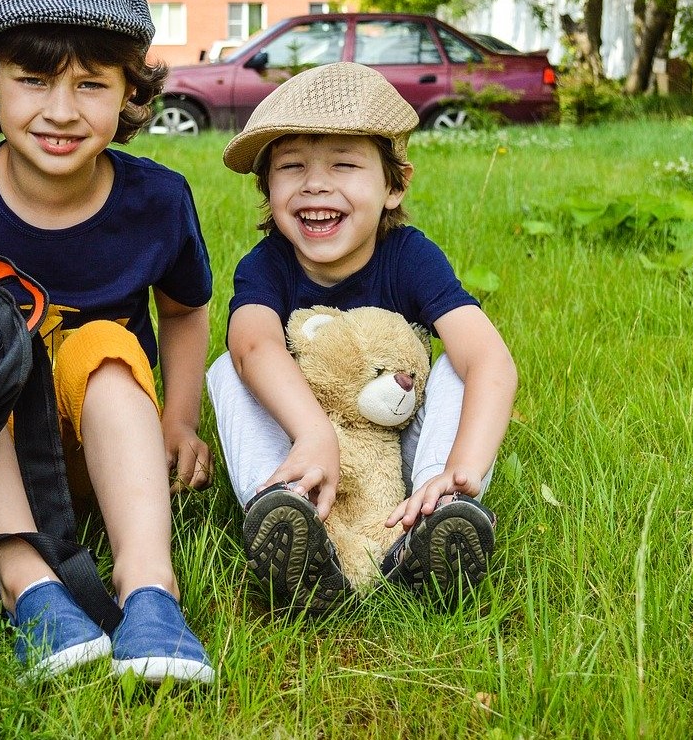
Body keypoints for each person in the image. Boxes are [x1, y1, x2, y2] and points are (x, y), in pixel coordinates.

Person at [0, 0, 215, 683]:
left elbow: (184, 310)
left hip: (110, 453)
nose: (62, 110)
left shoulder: (158, 201)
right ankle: (27, 585)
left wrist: (179, 422)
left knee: (102, 340)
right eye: (34, 80)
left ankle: (150, 586)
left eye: (91, 83)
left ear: (130, 90)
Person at [206, 63, 518, 611]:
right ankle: (283, 511)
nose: (315, 184)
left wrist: (460, 469)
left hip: (397, 454)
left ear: (395, 185)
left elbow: (491, 361)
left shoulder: (411, 257)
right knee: (229, 368)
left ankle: (435, 515)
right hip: (305, 450)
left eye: (344, 165)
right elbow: (252, 343)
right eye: (292, 167)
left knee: (455, 367)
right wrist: (312, 434)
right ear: (268, 188)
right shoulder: (267, 265)